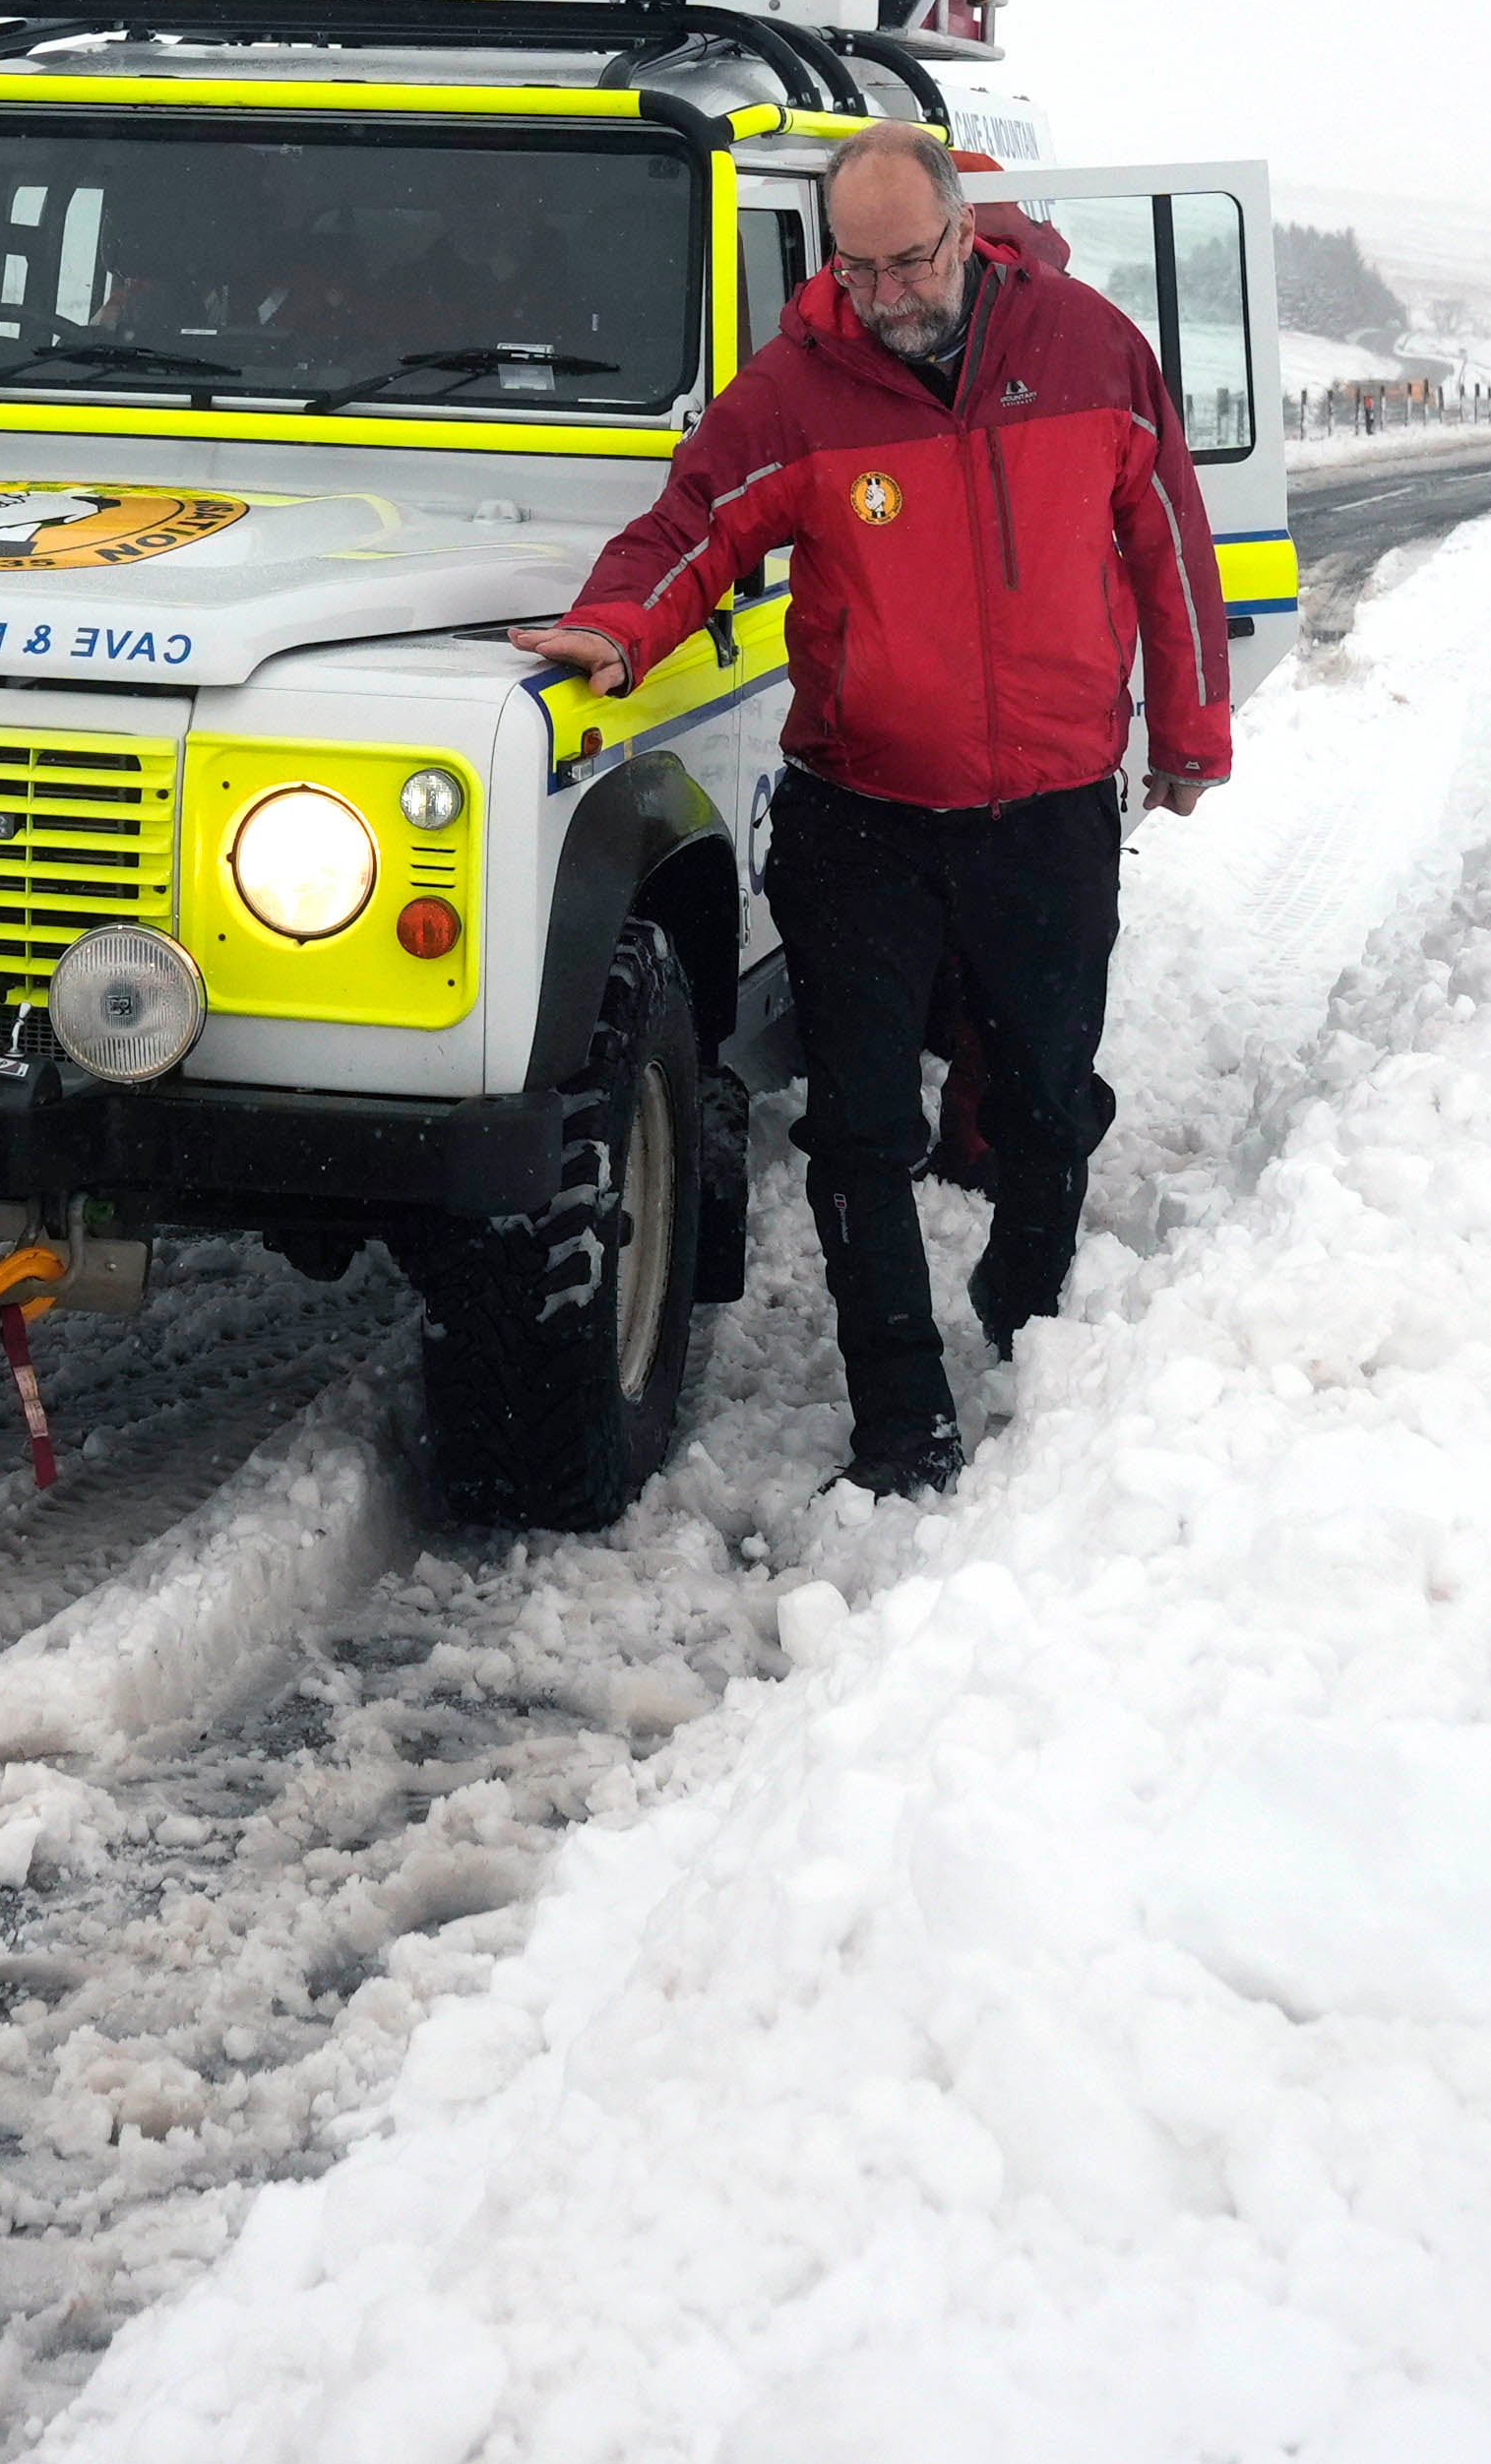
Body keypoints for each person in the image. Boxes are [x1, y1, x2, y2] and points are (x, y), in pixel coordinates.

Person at [507, 119, 1232, 1496]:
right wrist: (616, 626)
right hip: (863, 816)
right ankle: (901, 1416)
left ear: (968, 233)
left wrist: (1192, 730)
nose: (889, 294)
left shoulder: (1089, 350)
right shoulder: (803, 384)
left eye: (912, 262)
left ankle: (1028, 1326)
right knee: (855, 1128)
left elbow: (1173, 547)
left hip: (1051, 805)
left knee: (1042, 1101)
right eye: (862, 267)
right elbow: (695, 522)